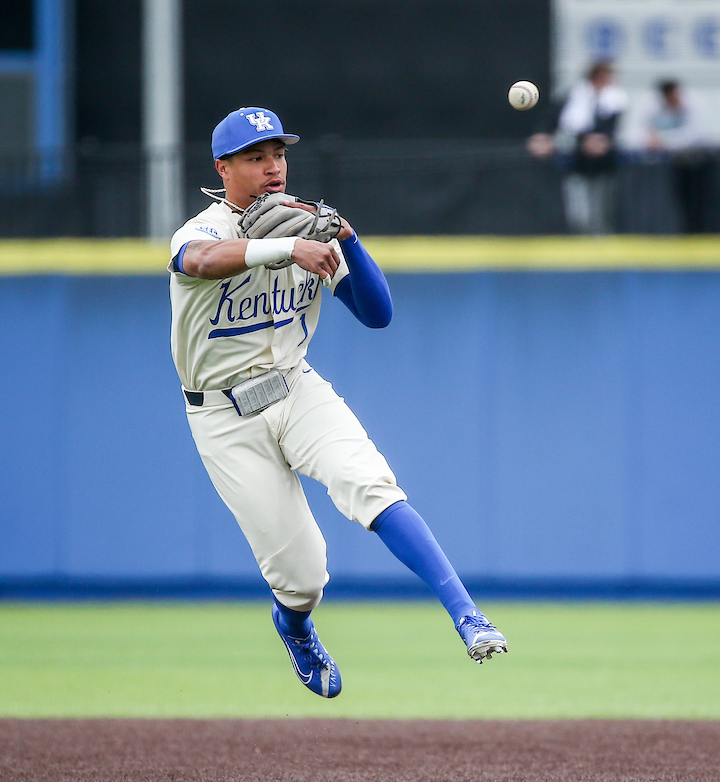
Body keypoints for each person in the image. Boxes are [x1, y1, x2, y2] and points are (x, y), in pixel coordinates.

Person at [167, 107, 507, 699]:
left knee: (369, 482)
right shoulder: (207, 229)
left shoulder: (310, 226)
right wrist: (283, 252)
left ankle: (467, 614)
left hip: (295, 387)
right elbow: (196, 263)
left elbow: (378, 315)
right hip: (222, 415)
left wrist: (348, 238)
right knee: (303, 579)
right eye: (256, 157)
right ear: (223, 168)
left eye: (279, 155)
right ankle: (294, 625)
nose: (273, 168)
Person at [526, 60, 628, 234]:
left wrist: (601, 140)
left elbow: (611, 129)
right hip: (577, 160)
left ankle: (601, 238)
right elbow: (552, 119)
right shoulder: (575, 96)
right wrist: (542, 136)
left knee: (602, 206)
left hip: (604, 162)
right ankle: (582, 237)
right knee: (579, 210)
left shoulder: (614, 99)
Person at [645, 79, 711, 233]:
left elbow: (695, 136)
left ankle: (699, 231)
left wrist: (663, 140)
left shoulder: (692, 103)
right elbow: (647, 128)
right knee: (681, 200)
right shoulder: (660, 106)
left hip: (700, 159)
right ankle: (687, 231)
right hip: (679, 162)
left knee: (700, 201)